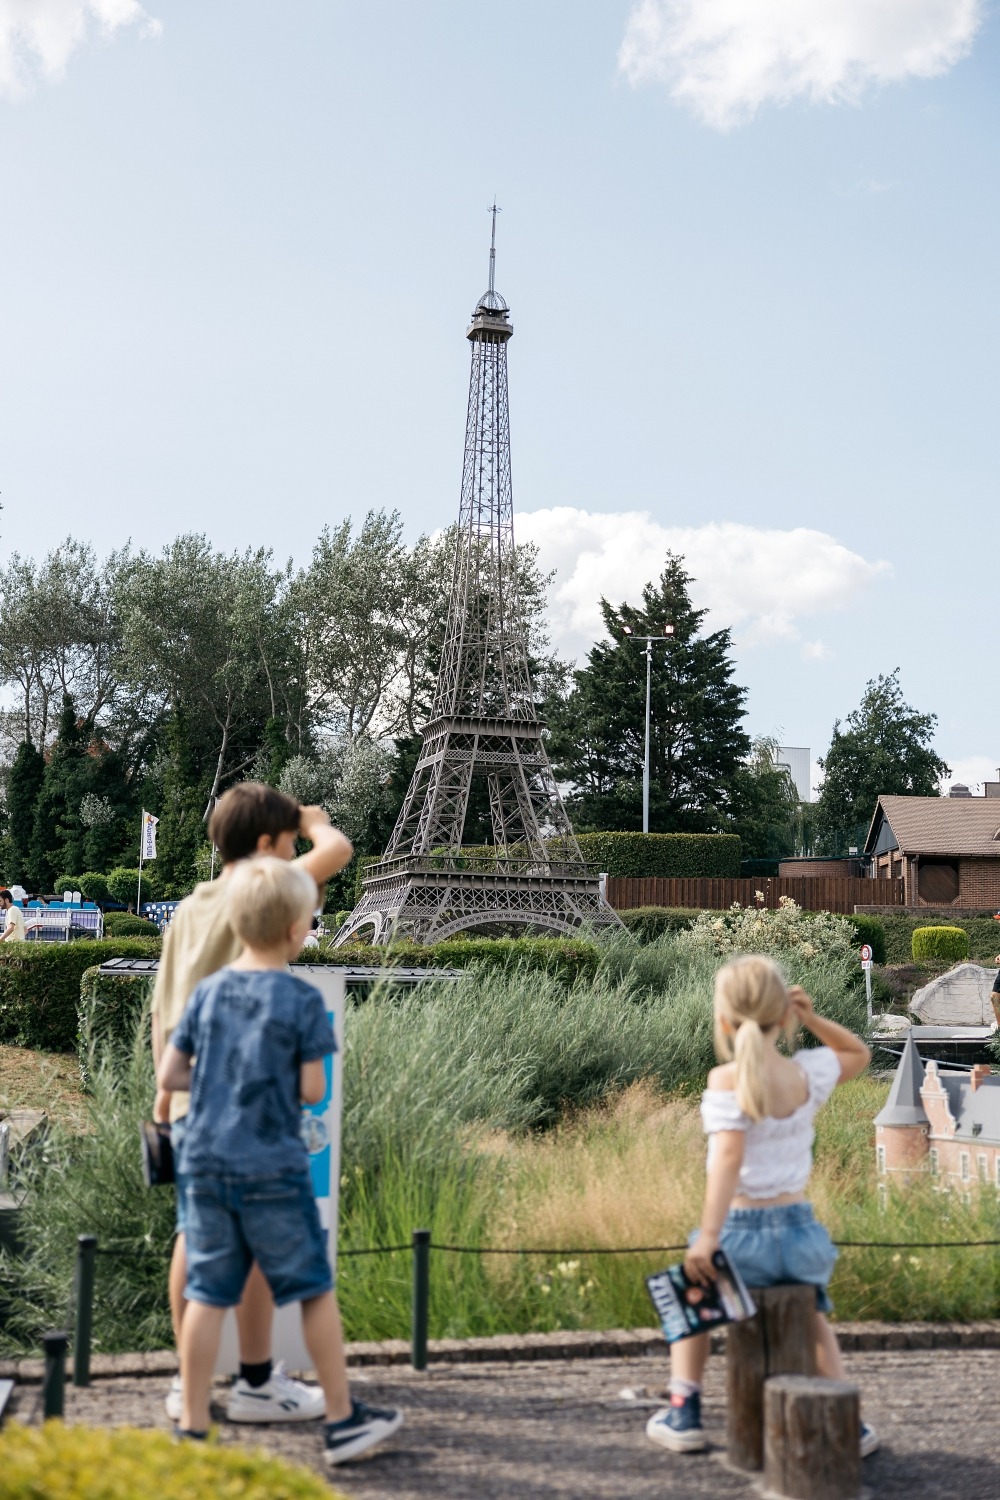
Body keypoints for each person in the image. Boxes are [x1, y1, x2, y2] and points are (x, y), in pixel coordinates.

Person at [157, 857, 403, 1464]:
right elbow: (313, 1088)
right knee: (313, 1289)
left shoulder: (209, 991)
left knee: (208, 1293)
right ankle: (343, 1419)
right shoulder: (298, 999)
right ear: (299, 930)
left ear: (236, 925)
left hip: (206, 1163)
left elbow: (170, 1071)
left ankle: (192, 1422)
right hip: (273, 1165)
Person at [151, 783, 352, 1425]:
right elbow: (339, 850)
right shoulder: (260, 891)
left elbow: (164, 1006)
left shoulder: (188, 907)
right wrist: (315, 821)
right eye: (288, 841)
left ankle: (191, 1389)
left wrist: (164, 1094)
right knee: (262, 1242)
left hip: (188, 1094)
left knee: (197, 1242)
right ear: (267, 846)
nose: (297, 850)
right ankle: (259, 1383)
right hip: (246, 1104)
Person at [645, 955, 878, 1459]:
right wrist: (813, 1019)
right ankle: (852, 1422)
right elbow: (858, 1053)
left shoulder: (725, 1079)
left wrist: (708, 1237)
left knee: (692, 1297)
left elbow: (727, 1161)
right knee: (812, 1314)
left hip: (740, 1237)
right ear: (784, 1015)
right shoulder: (809, 1072)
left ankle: (684, 1407)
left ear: (724, 1020)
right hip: (801, 1236)